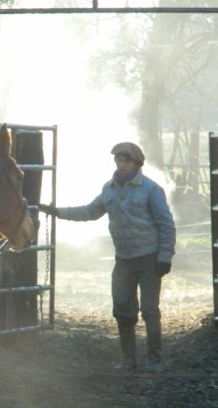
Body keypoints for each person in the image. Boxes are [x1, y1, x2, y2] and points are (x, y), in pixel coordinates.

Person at [38, 142, 176, 373]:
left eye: (126, 160)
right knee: (122, 309)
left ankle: (155, 359)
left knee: (150, 310)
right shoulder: (109, 189)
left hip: (148, 257)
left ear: (137, 163)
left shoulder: (151, 189)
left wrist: (165, 256)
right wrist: (58, 212)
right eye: (119, 160)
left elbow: (166, 224)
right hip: (123, 259)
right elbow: (90, 211)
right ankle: (129, 360)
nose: (121, 164)